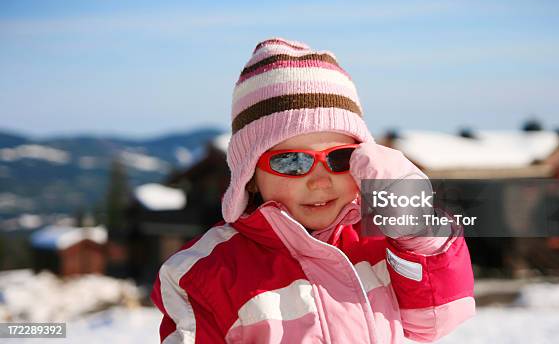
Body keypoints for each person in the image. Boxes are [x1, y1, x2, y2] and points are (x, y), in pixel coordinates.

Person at [151, 38, 475, 343]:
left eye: (339, 158)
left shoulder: (379, 240)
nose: (320, 181)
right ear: (250, 175)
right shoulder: (205, 273)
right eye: (292, 162)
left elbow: (435, 321)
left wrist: (415, 228)